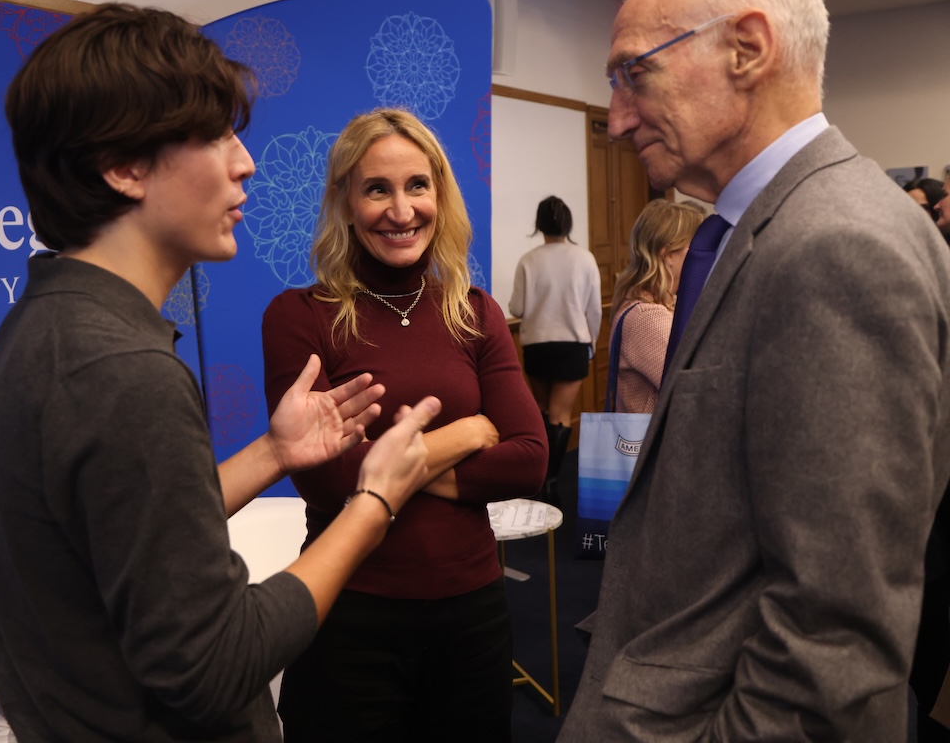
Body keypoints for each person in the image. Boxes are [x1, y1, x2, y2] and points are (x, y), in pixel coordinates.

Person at [0, 4, 445, 743]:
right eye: (215, 136)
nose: (244, 162)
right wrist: (375, 502)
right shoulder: (123, 368)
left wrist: (273, 453)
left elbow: (126, 543)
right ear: (123, 167)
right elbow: (215, 664)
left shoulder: (50, 328)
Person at [558, 0, 950, 741]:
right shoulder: (765, 228)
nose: (619, 115)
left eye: (635, 73)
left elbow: (833, 644)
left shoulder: (836, 244)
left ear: (747, 49)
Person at [261, 107, 547, 742]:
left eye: (417, 185)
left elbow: (530, 459)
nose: (401, 210)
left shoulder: (475, 312)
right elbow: (326, 479)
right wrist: (467, 434)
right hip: (347, 616)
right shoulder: (300, 317)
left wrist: (387, 471)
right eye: (376, 189)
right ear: (345, 201)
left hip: (471, 615)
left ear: (439, 195)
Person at [507, 195, 601, 501]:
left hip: (537, 346)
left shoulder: (528, 260)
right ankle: (552, 480)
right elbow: (595, 311)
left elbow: (517, 308)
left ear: (539, 225)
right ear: (569, 224)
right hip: (573, 345)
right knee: (561, 415)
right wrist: (593, 343)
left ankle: (538, 476)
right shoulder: (585, 258)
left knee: (543, 412)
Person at [608, 199, 705, 413]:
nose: (703, 255)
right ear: (668, 254)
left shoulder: (654, 304)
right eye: (695, 247)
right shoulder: (648, 318)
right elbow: (695, 390)